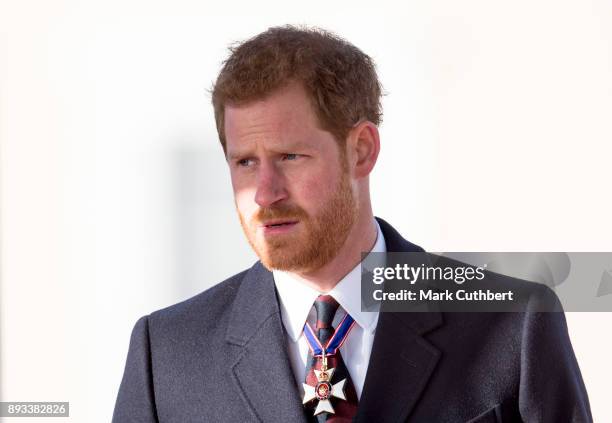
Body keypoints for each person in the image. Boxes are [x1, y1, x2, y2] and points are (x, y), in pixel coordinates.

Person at [112, 26, 592, 422]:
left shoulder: (511, 326)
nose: (265, 193)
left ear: (361, 150)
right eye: (244, 163)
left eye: (290, 156)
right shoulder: (168, 356)